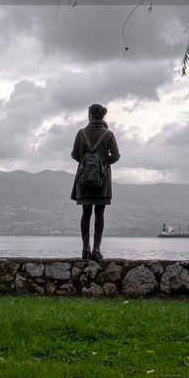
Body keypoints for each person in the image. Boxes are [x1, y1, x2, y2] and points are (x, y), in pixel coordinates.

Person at [70, 102, 120, 260]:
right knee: (100, 213)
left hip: (84, 179)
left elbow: (74, 154)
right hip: (102, 179)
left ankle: (85, 249)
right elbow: (116, 156)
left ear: (90, 115)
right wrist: (103, 164)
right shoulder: (109, 134)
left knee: (86, 213)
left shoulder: (81, 133)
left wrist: (85, 162)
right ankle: (97, 249)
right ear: (103, 116)